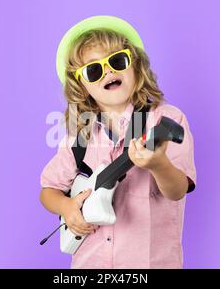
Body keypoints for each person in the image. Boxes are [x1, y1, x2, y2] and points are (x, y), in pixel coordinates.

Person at [40, 15, 196, 268]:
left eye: (117, 60)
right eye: (93, 70)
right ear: (81, 86)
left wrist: (158, 165)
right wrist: (67, 207)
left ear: (135, 65)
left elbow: (177, 190)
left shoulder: (163, 120)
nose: (108, 71)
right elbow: (48, 191)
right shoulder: (79, 134)